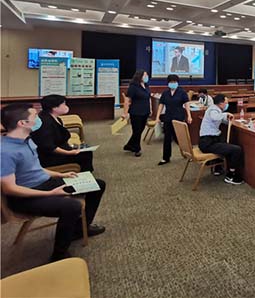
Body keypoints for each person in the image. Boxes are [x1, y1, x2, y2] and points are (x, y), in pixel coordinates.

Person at [1, 104, 106, 261]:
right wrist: (49, 193)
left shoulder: (27, 140)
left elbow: (36, 169)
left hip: (45, 183)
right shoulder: (5, 152)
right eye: (34, 117)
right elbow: (9, 189)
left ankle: (78, 230)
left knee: (97, 185)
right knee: (72, 206)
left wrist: (60, 174)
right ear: (22, 123)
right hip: (24, 197)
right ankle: (59, 255)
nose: (39, 120)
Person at [30, 95, 94, 172]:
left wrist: (72, 147)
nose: (66, 106)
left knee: (86, 149)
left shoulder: (56, 118)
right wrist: (69, 152)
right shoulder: (45, 123)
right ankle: (85, 175)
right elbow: (49, 147)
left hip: (60, 149)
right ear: (54, 108)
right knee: (85, 155)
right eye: (63, 104)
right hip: (49, 158)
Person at [199, 94, 244, 185]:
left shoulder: (216, 109)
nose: (227, 105)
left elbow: (221, 119)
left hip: (209, 140)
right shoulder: (213, 110)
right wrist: (226, 114)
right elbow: (215, 117)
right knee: (236, 149)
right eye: (226, 103)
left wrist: (228, 120)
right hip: (207, 143)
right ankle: (231, 176)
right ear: (221, 103)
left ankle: (218, 168)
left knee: (224, 143)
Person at [154, 75, 192, 165]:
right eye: (171, 82)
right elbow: (161, 105)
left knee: (180, 138)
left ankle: (190, 154)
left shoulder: (182, 92)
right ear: (168, 83)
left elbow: (187, 104)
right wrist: (157, 117)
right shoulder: (165, 93)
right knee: (167, 138)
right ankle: (165, 158)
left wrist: (189, 116)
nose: (173, 83)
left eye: (174, 82)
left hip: (179, 118)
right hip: (168, 117)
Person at [122, 69, 151, 157]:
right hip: (136, 112)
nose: (146, 77)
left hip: (145, 111)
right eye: (145, 75)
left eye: (147, 75)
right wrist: (125, 113)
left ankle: (129, 145)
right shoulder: (133, 87)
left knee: (140, 130)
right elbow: (127, 100)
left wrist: (151, 109)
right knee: (137, 131)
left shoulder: (146, 86)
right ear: (139, 76)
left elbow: (148, 98)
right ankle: (137, 149)